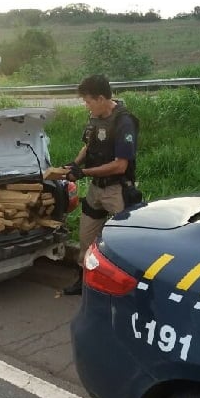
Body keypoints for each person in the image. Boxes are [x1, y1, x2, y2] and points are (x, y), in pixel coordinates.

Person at [63, 74, 139, 295]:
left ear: (101, 98)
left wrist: (83, 172)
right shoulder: (94, 118)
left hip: (117, 190)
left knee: (125, 239)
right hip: (96, 189)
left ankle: (130, 287)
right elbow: (89, 146)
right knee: (86, 236)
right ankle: (84, 280)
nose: (86, 105)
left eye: (88, 101)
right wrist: (74, 164)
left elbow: (120, 166)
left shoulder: (124, 122)